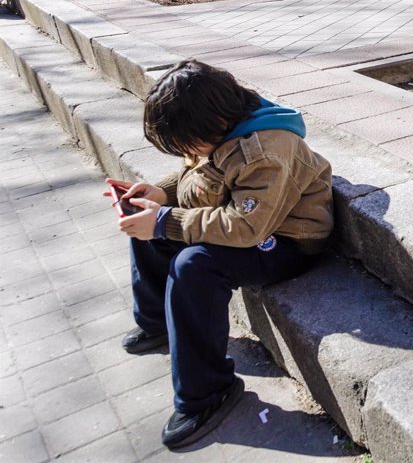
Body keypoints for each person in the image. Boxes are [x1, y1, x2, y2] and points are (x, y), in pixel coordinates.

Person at [111, 60, 332, 450]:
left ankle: (207, 394)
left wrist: (165, 220)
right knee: (147, 225)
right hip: (247, 221)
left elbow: (247, 229)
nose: (186, 153)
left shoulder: (266, 150)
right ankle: (156, 320)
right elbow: (199, 174)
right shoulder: (223, 124)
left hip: (286, 241)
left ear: (213, 121)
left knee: (193, 265)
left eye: (186, 144)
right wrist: (161, 196)